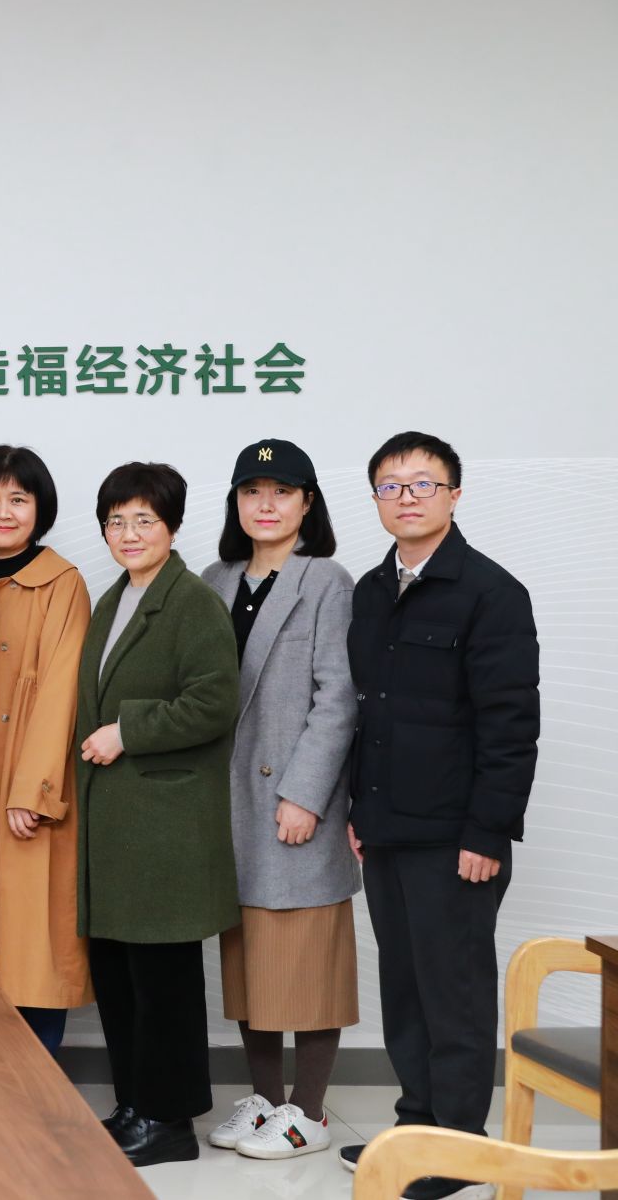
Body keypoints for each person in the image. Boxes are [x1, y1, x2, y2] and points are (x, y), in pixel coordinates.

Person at [338, 432, 539, 1200]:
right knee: (405, 986)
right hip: (385, 825)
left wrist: (487, 831)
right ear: (377, 500)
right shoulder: (370, 590)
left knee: (453, 991)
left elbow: (510, 723)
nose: (407, 496)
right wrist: (356, 806)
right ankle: (416, 1126)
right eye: (391, 485)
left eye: (423, 482)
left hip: (456, 836)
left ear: (455, 494)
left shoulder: (490, 592)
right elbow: (366, 711)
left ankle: (457, 1148)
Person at [196, 440, 359, 1161]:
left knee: (307, 953)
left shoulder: (326, 580)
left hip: (293, 797)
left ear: (307, 502)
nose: (266, 504)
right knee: (249, 960)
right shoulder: (215, 578)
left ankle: (310, 1110)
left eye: (282, 491)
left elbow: (338, 698)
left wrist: (305, 795)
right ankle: (266, 1101)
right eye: (252, 491)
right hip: (226, 798)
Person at [74, 462, 240, 1168]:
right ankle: (135, 1104)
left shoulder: (193, 601)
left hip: (164, 825)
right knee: (120, 974)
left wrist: (127, 730)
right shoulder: (114, 599)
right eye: (116, 521)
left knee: (163, 980)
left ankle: (169, 1121)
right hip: (116, 822)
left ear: (171, 525)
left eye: (144, 519)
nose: (129, 533)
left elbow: (214, 701)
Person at [0, 444, 92, 1054]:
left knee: (30, 944)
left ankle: (36, 1085)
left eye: (18, 499)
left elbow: (62, 691)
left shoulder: (62, 583)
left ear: (40, 510)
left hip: (25, 786)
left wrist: (33, 792)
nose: (2, 512)